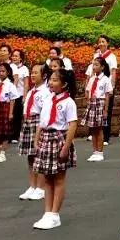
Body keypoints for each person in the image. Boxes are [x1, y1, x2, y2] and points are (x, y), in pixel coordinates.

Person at [32, 69, 78, 230]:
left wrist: (66, 146)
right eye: (50, 79)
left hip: (59, 138)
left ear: (64, 84)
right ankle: (47, 212)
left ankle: (55, 214)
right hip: (46, 137)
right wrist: (37, 138)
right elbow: (42, 121)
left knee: (58, 178)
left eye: (55, 80)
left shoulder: (68, 102)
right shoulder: (48, 99)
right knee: (47, 178)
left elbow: (72, 124)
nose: (51, 83)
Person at [18, 63, 48, 201]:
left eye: (36, 72)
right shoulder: (31, 91)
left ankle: (41, 188)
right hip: (28, 122)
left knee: (39, 156)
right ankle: (32, 185)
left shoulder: (45, 92)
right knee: (30, 156)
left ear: (44, 75)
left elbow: (44, 112)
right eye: (32, 72)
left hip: (38, 123)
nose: (33, 75)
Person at [82, 58, 113, 162]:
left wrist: (106, 110)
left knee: (99, 129)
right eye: (93, 65)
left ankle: (100, 152)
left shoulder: (105, 79)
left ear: (102, 67)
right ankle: (94, 151)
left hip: (100, 103)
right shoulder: (92, 79)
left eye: (96, 65)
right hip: (92, 103)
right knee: (93, 129)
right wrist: (88, 99)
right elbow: (88, 90)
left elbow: (107, 96)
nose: (94, 67)